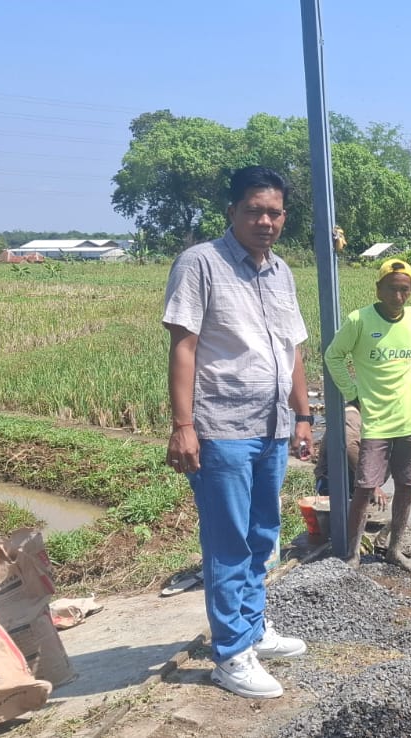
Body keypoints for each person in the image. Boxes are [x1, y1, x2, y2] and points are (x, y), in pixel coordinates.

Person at [163, 166, 312, 700]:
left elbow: (292, 348)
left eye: (274, 212)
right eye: (254, 211)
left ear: (283, 217)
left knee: (262, 535)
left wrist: (303, 416)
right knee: (228, 542)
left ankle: (253, 628)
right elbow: (184, 346)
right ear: (232, 212)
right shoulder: (200, 263)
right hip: (222, 429)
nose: (265, 221)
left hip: (272, 428)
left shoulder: (281, 271)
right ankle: (230, 654)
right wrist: (184, 426)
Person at [325, 257, 411, 572]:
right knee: (365, 487)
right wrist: (352, 393)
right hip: (376, 421)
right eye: (392, 289)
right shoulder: (359, 320)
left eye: (405, 290)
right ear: (378, 289)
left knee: (406, 485)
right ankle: (352, 555)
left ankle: (395, 549)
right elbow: (334, 356)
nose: (398, 296)